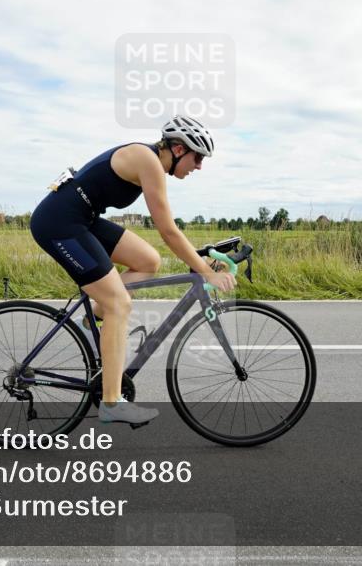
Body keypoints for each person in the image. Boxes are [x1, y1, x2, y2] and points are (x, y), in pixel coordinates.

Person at [29, 115, 237, 425]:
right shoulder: (148, 160)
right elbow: (167, 230)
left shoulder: (150, 161)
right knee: (119, 304)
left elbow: (169, 233)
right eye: (198, 157)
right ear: (179, 149)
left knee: (147, 261)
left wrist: (200, 261)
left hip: (80, 218)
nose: (199, 166)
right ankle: (112, 402)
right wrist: (205, 271)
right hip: (59, 222)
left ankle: (92, 320)